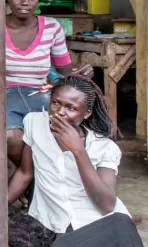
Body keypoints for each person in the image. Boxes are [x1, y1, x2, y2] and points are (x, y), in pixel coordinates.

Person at [0, 0, 93, 167]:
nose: (25, 2)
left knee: (60, 132)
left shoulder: (52, 27)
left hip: (39, 93)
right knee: (11, 137)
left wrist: (83, 70)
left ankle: (35, 182)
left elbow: (64, 71)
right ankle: (35, 180)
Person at [7, 76, 140, 246]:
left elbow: (107, 205)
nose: (60, 112)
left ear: (87, 113)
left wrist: (78, 151)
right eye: (55, 103)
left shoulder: (103, 146)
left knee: (121, 223)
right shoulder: (35, 124)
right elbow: (25, 173)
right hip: (52, 228)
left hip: (98, 227)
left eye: (71, 108)